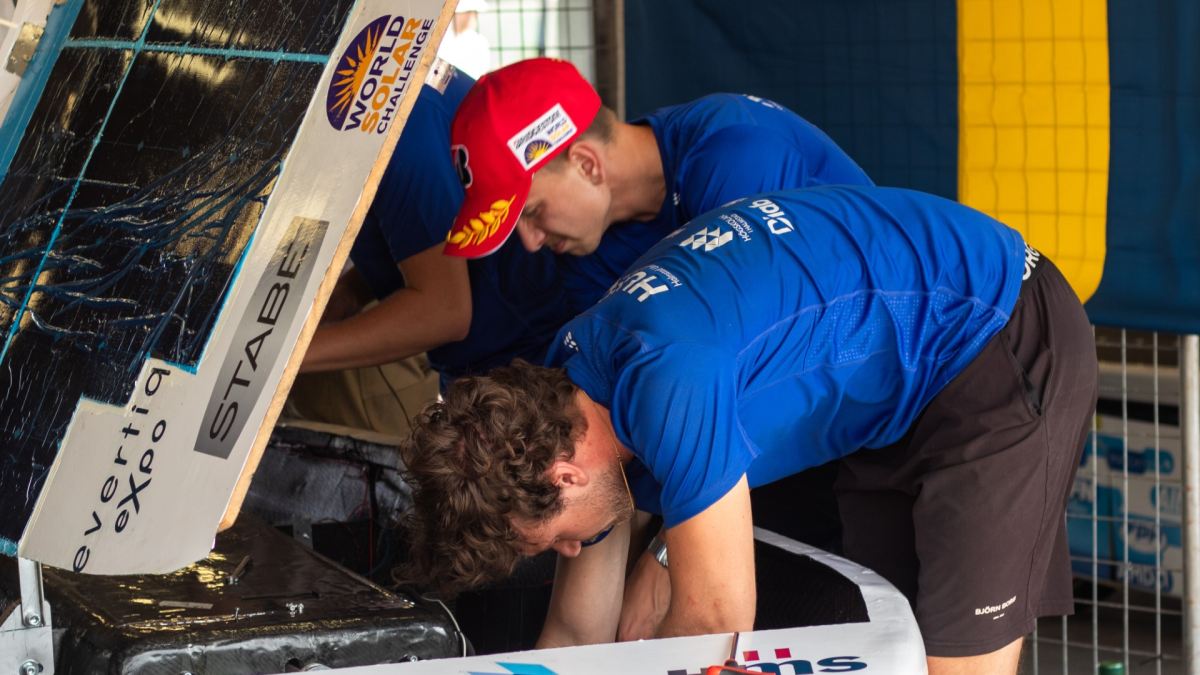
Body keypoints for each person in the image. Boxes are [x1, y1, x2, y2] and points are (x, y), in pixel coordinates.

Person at [401, 185, 1099, 674]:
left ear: (564, 475)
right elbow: (576, 635)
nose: (572, 549)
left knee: (955, 662)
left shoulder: (665, 376)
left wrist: (665, 576)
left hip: (993, 329)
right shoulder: (568, 395)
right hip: (897, 386)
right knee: (894, 649)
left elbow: (714, 625)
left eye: (556, 538)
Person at [441, 57, 873, 313]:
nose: (530, 242)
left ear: (587, 165)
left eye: (532, 212)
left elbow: (761, 336)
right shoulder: (585, 249)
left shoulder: (735, 154)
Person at [288, 61, 571, 435]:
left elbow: (445, 311)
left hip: (521, 371)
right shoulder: (382, 85)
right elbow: (426, 233)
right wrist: (352, 291)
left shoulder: (395, 124)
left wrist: (284, 357)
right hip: (485, 361)